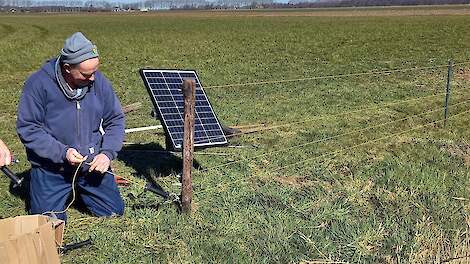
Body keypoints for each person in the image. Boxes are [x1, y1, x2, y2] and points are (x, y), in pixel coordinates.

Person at [17, 32, 125, 221]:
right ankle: (52, 191)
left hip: (89, 165)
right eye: (86, 74)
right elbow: (29, 128)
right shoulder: (38, 84)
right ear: (67, 68)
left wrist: (106, 154)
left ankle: (82, 191)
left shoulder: (98, 81)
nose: (93, 78)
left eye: (95, 71)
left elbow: (115, 119)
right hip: (52, 168)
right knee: (49, 223)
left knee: (114, 211)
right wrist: (63, 153)